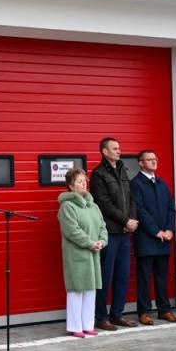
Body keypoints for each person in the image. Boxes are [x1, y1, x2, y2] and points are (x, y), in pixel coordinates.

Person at [89, 136, 138, 330]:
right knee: (106, 276)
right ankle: (101, 317)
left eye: (119, 148)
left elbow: (132, 197)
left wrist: (131, 221)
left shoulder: (124, 170)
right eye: (115, 148)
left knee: (123, 275)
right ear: (105, 151)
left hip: (125, 232)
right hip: (110, 233)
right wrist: (125, 220)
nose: (119, 151)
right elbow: (103, 203)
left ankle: (117, 314)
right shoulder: (99, 174)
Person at [131, 149, 176, 323]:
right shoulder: (136, 184)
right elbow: (140, 211)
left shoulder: (162, 183)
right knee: (144, 277)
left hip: (164, 239)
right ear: (141, 163)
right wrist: (156, 231)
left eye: (155, 158)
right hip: (146, 239)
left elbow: (171, 209)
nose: (154, 161)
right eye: (149, 159)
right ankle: (143, 312)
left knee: (162, 276)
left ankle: (164, 310)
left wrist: (169, 229)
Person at [57, 168, 106, 338]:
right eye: (79, 181)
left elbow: (102, 227)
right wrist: (90, 243)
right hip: (76, 255)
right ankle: (75, 326)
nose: (84, 183)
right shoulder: (67, 206)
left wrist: (101, 241)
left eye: (84, 181)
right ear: (71, 186)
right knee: (76, 290)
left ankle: (88, 325)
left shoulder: (94, 206)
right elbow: (72, 231)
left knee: (90, 290)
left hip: (93, 254)